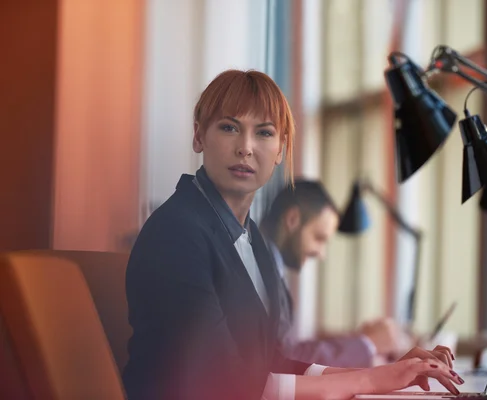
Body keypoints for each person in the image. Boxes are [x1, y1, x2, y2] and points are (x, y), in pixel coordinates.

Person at [122, 69, 463, 400]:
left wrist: (388, 374)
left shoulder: (250, 237)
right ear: (199, 136)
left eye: (264, 133)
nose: (246, 147)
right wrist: (371, 379)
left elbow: (269, 364)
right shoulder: (178, 233)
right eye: (229, 128)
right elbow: (224, 378)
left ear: (281, 151)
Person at [260, 180, 416, 367]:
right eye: (319, 238)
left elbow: (286, 350)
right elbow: (282, 359)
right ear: (292, 219)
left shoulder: (268, 265)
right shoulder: (256, 271)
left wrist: (361, 344)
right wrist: (368, 344)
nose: (322, 253)